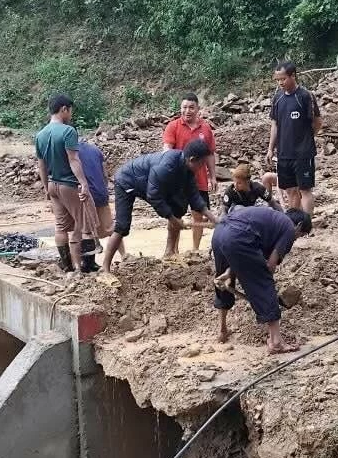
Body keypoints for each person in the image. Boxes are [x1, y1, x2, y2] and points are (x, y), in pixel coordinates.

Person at [101, 138, 220, 270]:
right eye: (202, 164)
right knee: (122, 226)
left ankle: (169, 253)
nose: (203, 168)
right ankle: (105, 267)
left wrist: (213, 218)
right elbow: (154, 196)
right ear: (192, 159)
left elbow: (194, 196)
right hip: (127, 181)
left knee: (179, 208)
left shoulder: (187, 169)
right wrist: (173, 220)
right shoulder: (165, 167)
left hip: (148, 183)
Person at [212, 206, 312, 355]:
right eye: (301, 235)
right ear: (298, 225)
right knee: (264, 283)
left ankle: (222, 330)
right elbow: (270, 266)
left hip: (220, 232)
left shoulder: (271, 222)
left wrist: (230, 271)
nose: (296, 239)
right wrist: (266, 296)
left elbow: (246, 255)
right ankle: (276, 342)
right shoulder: (289, 228)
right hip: (238, 236)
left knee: (223, 282)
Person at [34, 94, 95, 273]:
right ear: (64, 109)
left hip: (53, 184)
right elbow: (73, 160)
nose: (71, 115)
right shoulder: (68, 131)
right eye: (70, 111)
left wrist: (46, 188)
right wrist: (83, 183)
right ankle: (87, 267)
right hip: (69, 185)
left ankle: (67, 266)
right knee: (84, 226)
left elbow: (41, 165)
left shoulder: (40, 135)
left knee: (60, 228)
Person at [162, 93, 217, 254]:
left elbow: (210, 154)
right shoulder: (173, 126)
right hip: (178, 180)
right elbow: (167, 150)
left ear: (198, 109)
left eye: (191, 107)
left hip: (200, 179)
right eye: (184, 107)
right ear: (180, 108)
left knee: (198, 214)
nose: (187, 111)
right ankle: (174, 250)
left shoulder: (205, 128)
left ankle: (195, 250)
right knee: (175, 215)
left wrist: (213, 176)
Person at [266, 60, 323, 214]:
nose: (280, 83)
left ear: (293, 76)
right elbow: (274, 124)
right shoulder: (277, 98)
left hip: (303, 153)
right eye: (277, 80)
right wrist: (270, 149)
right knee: (290, 189)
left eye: (283, 79)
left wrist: (307, 137)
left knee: (305, 189)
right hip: (284, 153)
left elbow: (317, 122)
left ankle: (307, 223)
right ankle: (295, 221)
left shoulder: (305, 96)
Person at [77, 138, 113, 244]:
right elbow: (105, 174)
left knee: (85, 230)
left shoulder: (70, 152)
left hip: (84, 194)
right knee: (110, 228)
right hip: (100, 192)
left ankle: (93, 251)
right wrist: (104, 189)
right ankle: (123, 252)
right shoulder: (95, 150)